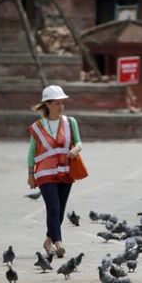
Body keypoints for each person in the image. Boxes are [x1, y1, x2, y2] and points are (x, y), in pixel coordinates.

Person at [27, 85, 82, 258]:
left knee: (60, 211)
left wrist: (76, 150)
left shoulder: (70, 122)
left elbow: (79, 142)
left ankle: (48, 241)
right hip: (44, 173)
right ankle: (59, 243)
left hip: (65, 172)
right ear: (48, 104)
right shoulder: (37, 127)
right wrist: (30, 174)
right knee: (53, 207)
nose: (61, 106)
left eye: (62, 103)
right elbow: (31, 151)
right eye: (57, 103)